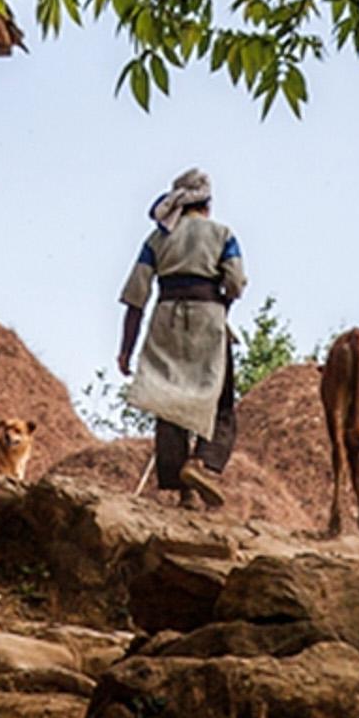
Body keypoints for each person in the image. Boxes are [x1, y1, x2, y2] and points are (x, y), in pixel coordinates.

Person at [117, 168, 246, 508]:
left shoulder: (156, 239)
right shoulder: (223, 234)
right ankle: (200, 464)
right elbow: (235, 282)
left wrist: (125, 352)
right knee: (219, 403)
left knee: (169, 401)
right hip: (208, 318)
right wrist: (222, 307)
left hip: (165, 319)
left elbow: (135, 295)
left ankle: (184, 491)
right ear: (207, 203)